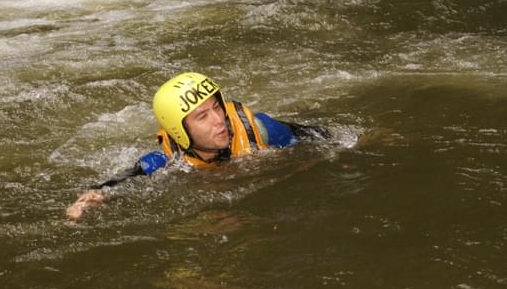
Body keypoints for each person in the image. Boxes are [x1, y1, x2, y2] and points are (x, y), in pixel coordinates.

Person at [66, 72, 331, 219]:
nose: (219, 121)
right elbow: (130, 174)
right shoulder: (169, 160)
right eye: (202, 117)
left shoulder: (259, 131)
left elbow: (320, 135)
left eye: (217, 108)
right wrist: (94, 194)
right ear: (180, 132)